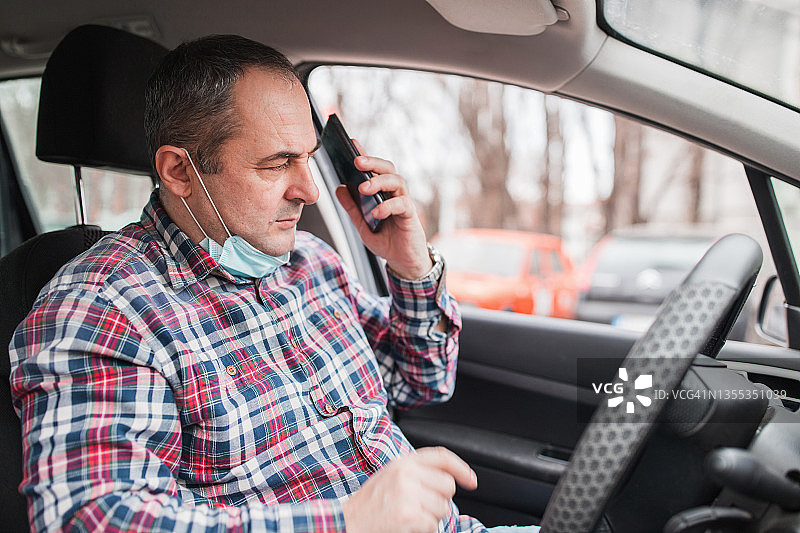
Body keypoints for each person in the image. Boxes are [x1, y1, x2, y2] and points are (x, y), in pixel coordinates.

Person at [9, 35, 538, 533]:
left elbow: (421, 381)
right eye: (276, 163)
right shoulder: (104, 307)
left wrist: (412, 269)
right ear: (179, 171)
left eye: (307, 155)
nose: (309, 189)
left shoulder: (311, 263)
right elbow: (89, 517)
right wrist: (349, 521)